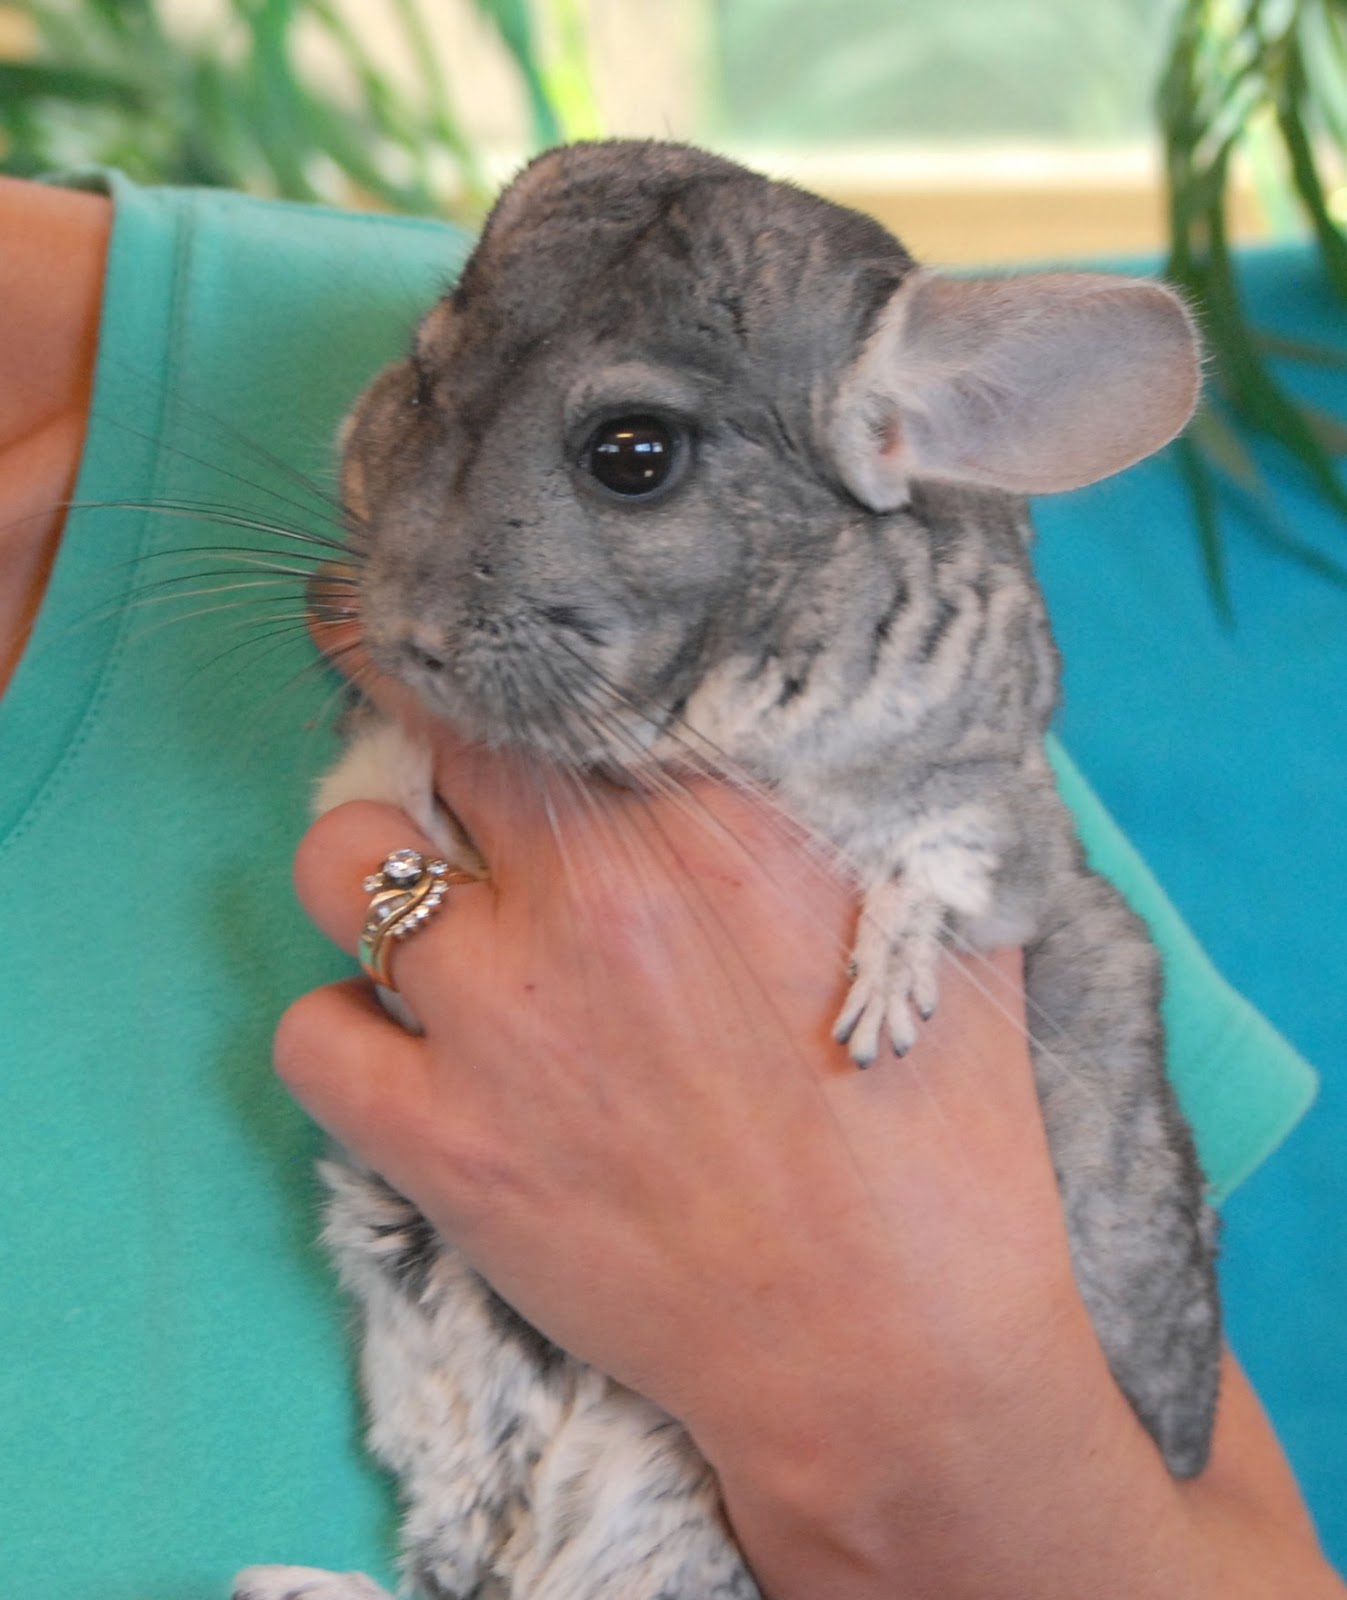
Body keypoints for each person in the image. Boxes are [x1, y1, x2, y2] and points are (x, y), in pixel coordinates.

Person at [0, 170, 1339, 1599]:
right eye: (438, 399)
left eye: (630, 454)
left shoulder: (701, 395)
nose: (427, 558)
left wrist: (892, 1409)